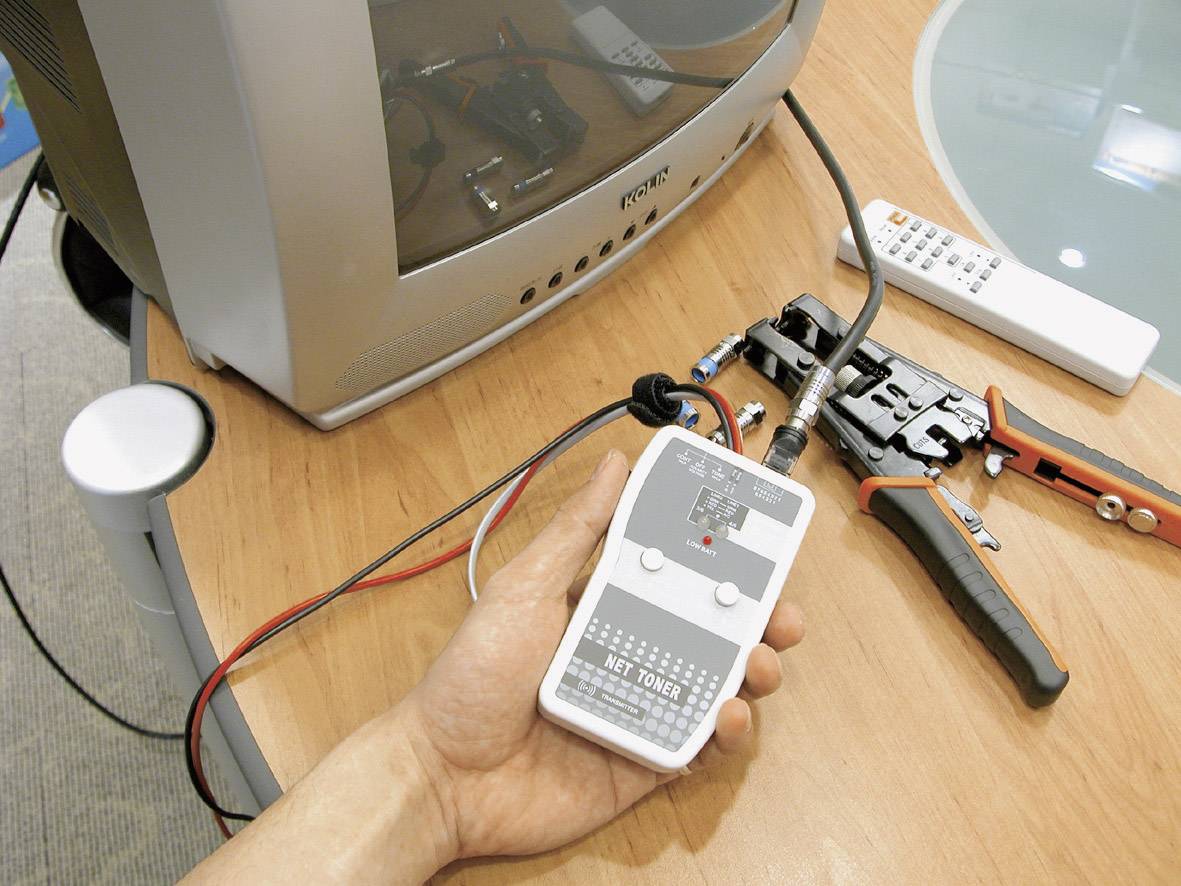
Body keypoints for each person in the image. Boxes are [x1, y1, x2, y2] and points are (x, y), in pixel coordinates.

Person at [184, 450, 804, 883]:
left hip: (476, 770)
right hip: (475, 752)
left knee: (753, 648)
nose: (708, 541)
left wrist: (437, 782)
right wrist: (436, 767)